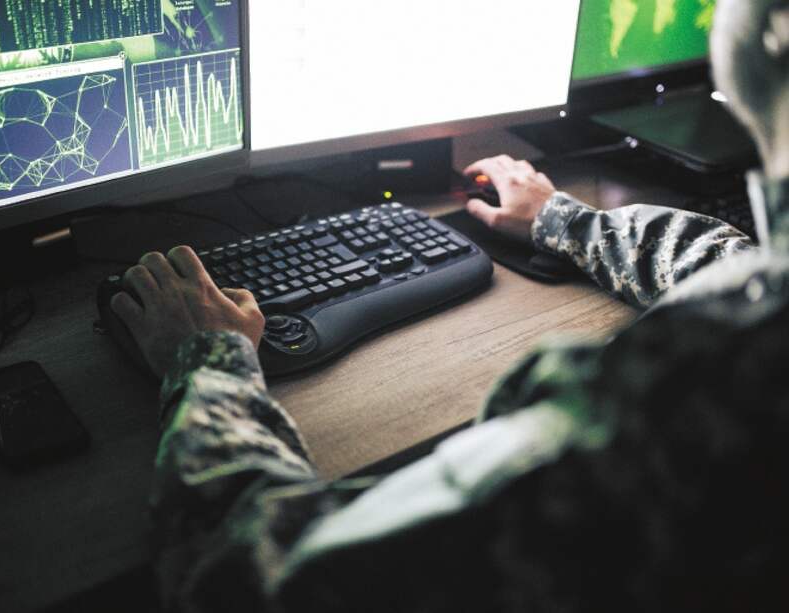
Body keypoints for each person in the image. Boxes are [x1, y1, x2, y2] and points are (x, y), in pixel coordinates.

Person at [111, 1, 789, 610]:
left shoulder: (697, 399)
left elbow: (252, 580)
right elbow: (737, 266)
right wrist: (565, 220)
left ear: (778, 33)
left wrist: (208, 361)